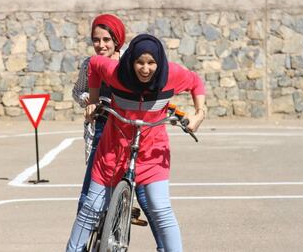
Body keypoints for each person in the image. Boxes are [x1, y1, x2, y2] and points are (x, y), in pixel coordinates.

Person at [72, 33, 206, 251]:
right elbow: (95, 65)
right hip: (113, 149)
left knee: (160, 208)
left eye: (151, 63)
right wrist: (94, 102)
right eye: (140, 62)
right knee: (91, 208)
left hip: (153, 152)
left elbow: (196, 82)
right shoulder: (116, 72)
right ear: (131, 60)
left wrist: (199, 113)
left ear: (159, 62)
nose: (145, 69)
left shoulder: (171, 74)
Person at [67, 15, 164, 251]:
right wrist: (91, 102)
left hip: (131, 132)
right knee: (88, 197)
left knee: (146, 198)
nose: (101, 45)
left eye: (107, 39)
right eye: (96, 40)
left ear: (117, 40)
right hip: (102, 128)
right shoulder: (89, 64)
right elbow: (78, 92)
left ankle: (162, 246)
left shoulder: (130, 65)